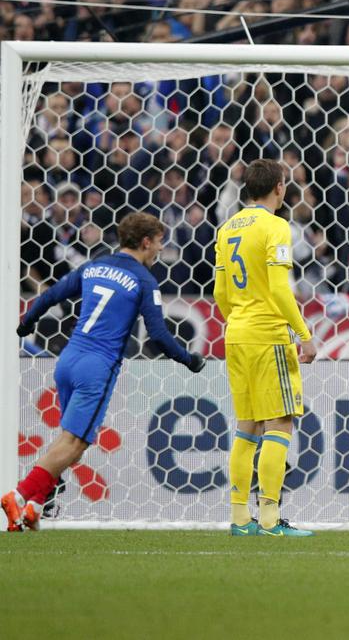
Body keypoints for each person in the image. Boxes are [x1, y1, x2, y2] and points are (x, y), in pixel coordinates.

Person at [3, 213, 204, 532]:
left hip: (68, 359)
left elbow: (50, 296)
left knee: (69, 443)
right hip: (97, 366)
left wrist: (26, 323)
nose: (160, 250)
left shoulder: (93, 266)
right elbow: (159, 335)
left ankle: (34, 508)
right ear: (145, 242)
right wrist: (190, 360)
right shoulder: (143, 279)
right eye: (159, 243)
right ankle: (19, 493)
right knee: (74, 444)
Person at [214, 159, 318, 537]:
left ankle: (241, 519)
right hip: (267, 334)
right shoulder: (276, 226)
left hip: (236, 334)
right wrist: (303, 333)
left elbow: (220, 293)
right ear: (279, 188)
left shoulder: (227, 229)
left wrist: (239, 318)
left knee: (247, 427)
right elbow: (277, 288)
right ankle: (271, 519)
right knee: (280, 422)